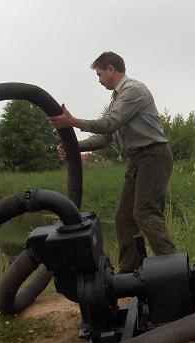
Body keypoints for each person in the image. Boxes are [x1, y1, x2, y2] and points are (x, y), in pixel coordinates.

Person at [50, 51, 176, 273]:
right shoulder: (116, 99)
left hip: (154, 156)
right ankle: (129, 273)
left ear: (111, 69)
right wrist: (73, 146)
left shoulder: (133, 91)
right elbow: (105, 138)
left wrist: (73, 122)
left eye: (99, 74)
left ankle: (175, 270)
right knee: (124, 219)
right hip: (137, 159)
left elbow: (109, 124)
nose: (98, 80)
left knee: (145, 212)